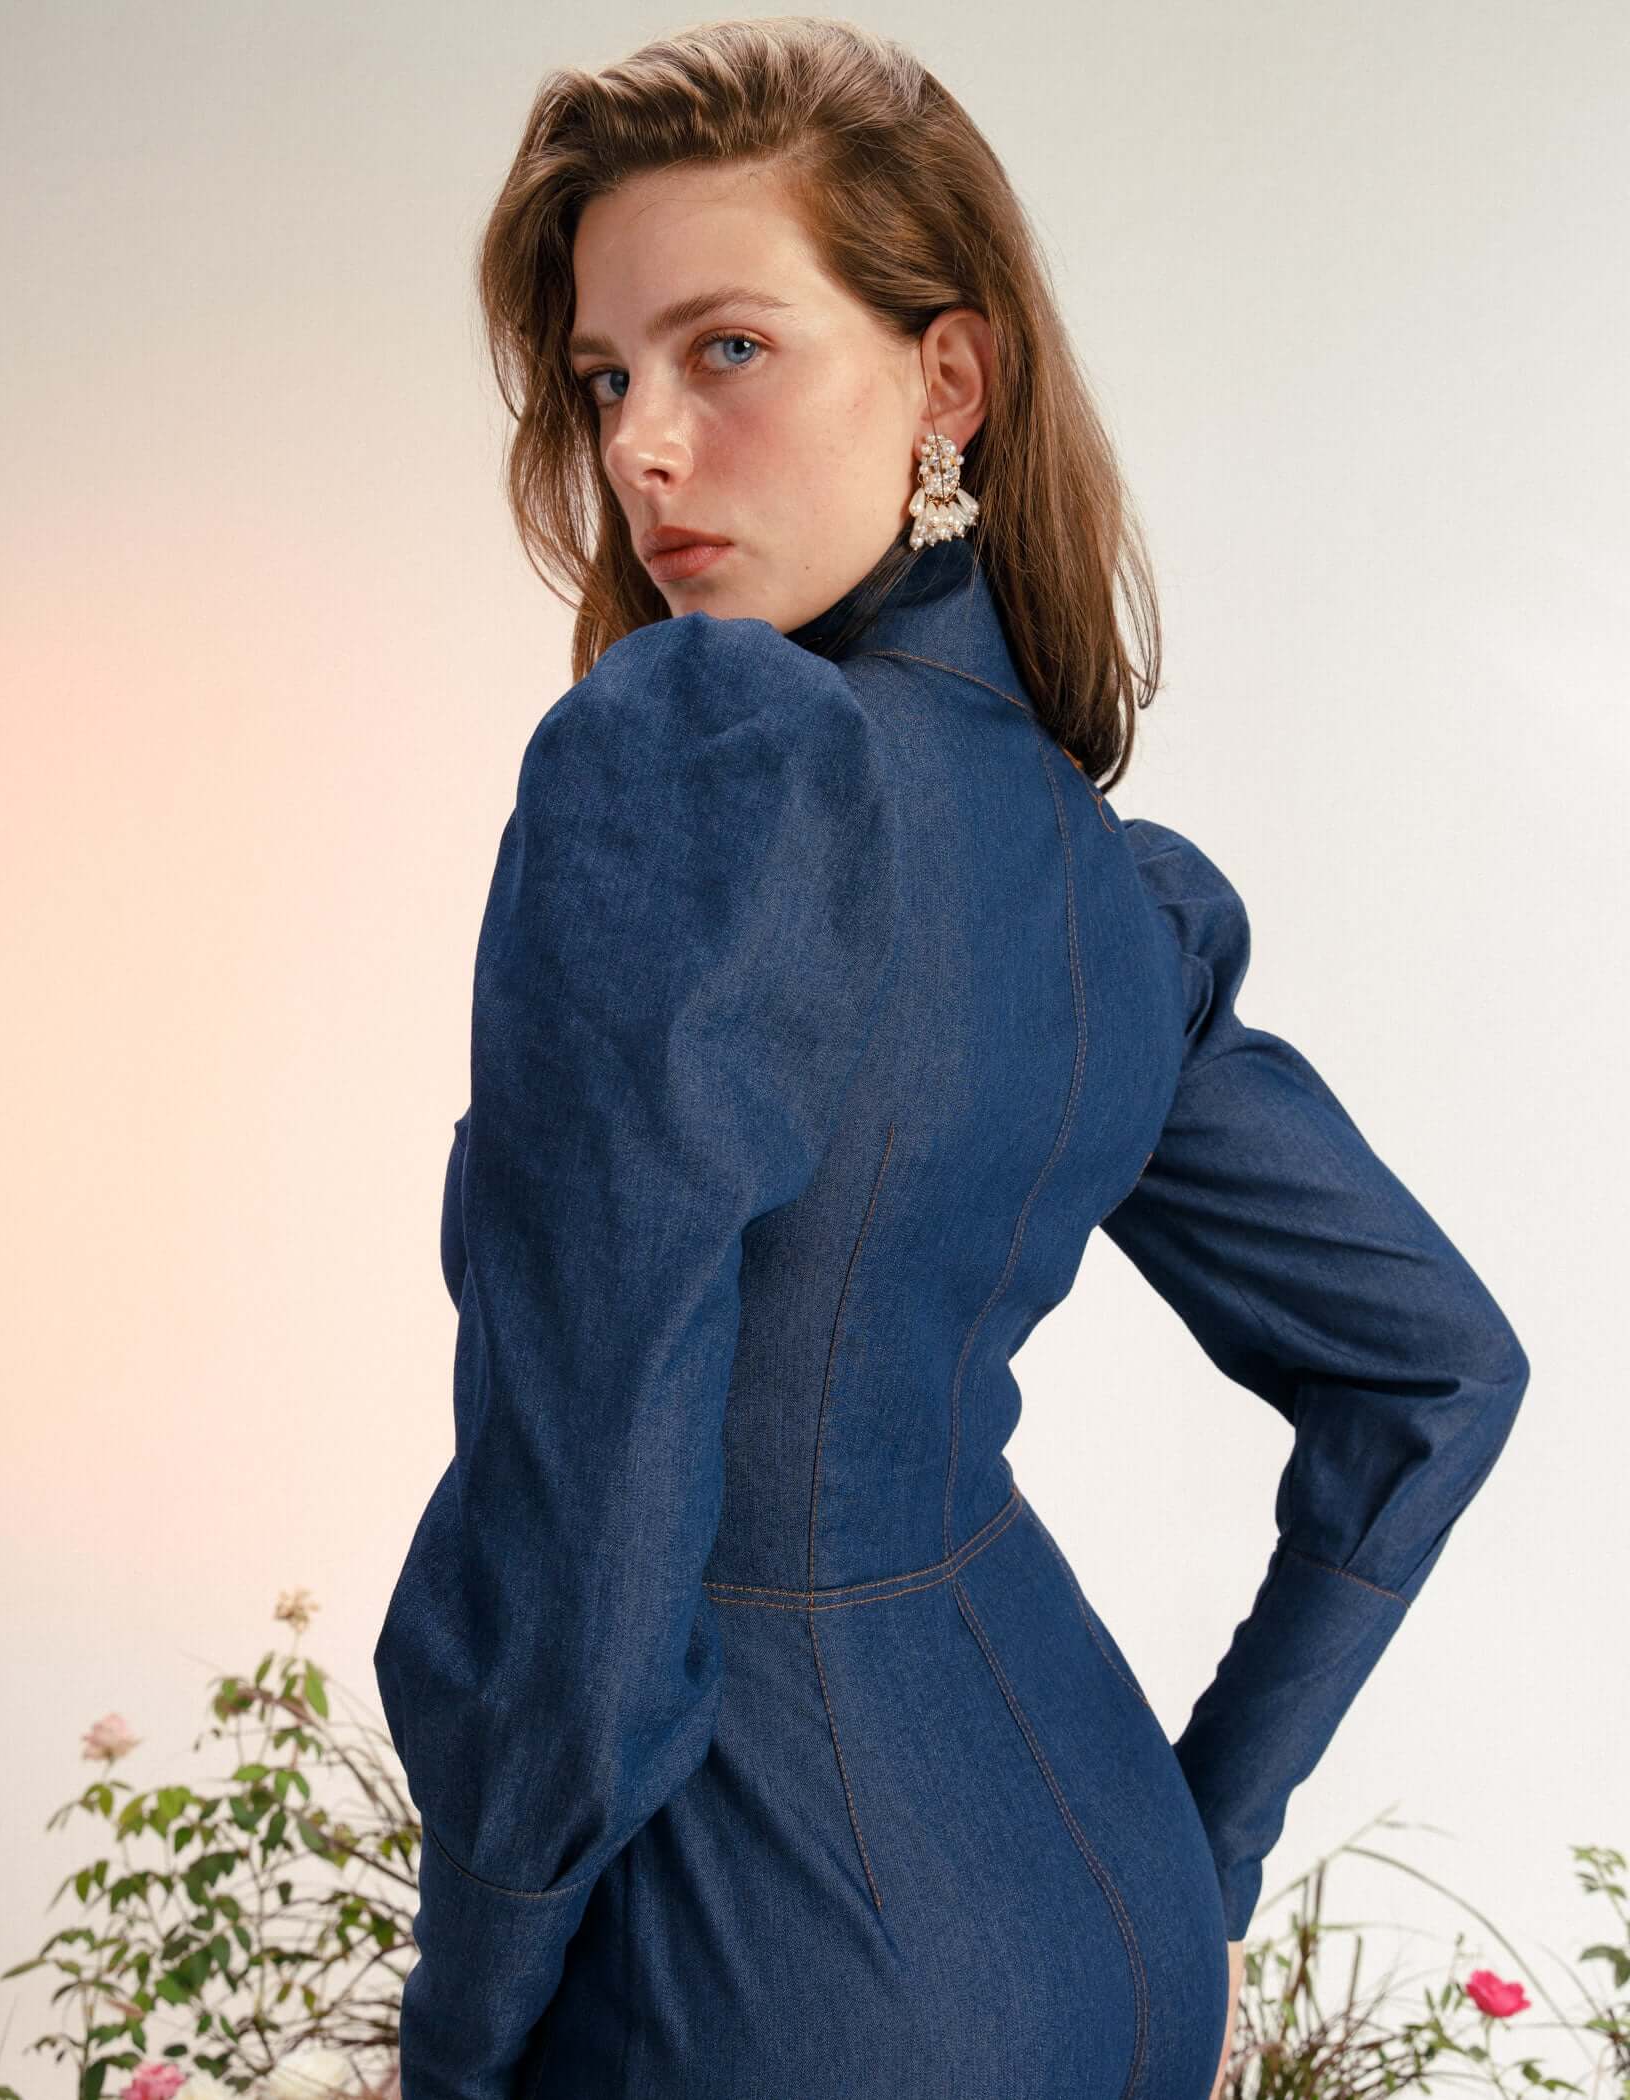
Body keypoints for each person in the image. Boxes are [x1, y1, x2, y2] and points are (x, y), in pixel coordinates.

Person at [371, 18, 1530, 2099]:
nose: (644, 448)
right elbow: (1435, 1370)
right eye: (605, 378)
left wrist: (465, 2024)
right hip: (1111, 1921)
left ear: (949, 379)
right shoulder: (1110, 890)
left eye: (729, 349)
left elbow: (588, 1520)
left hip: (769, 1972)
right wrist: (1204, 1841)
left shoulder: (690, 773)